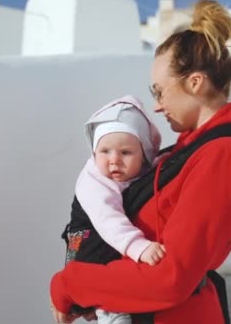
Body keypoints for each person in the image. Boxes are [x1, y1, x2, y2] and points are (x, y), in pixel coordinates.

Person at [50, 0, 231, 323]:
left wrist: (70, 284)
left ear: (195, 82)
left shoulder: (223, 156)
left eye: (159, 92)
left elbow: (171, 277)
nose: (156, 105)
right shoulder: (189, 152)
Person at [60, 95, 166, 324]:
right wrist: (140, 247)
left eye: (126, 153)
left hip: (107, 237)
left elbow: (149, 171)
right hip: (85, 240)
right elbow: (109, 221)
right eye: (105, 151)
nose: (114, 160)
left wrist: (165, 162)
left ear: (144, 156)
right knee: (98, 277)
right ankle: (109, 313)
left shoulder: (139, 168)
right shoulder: (94, 181)